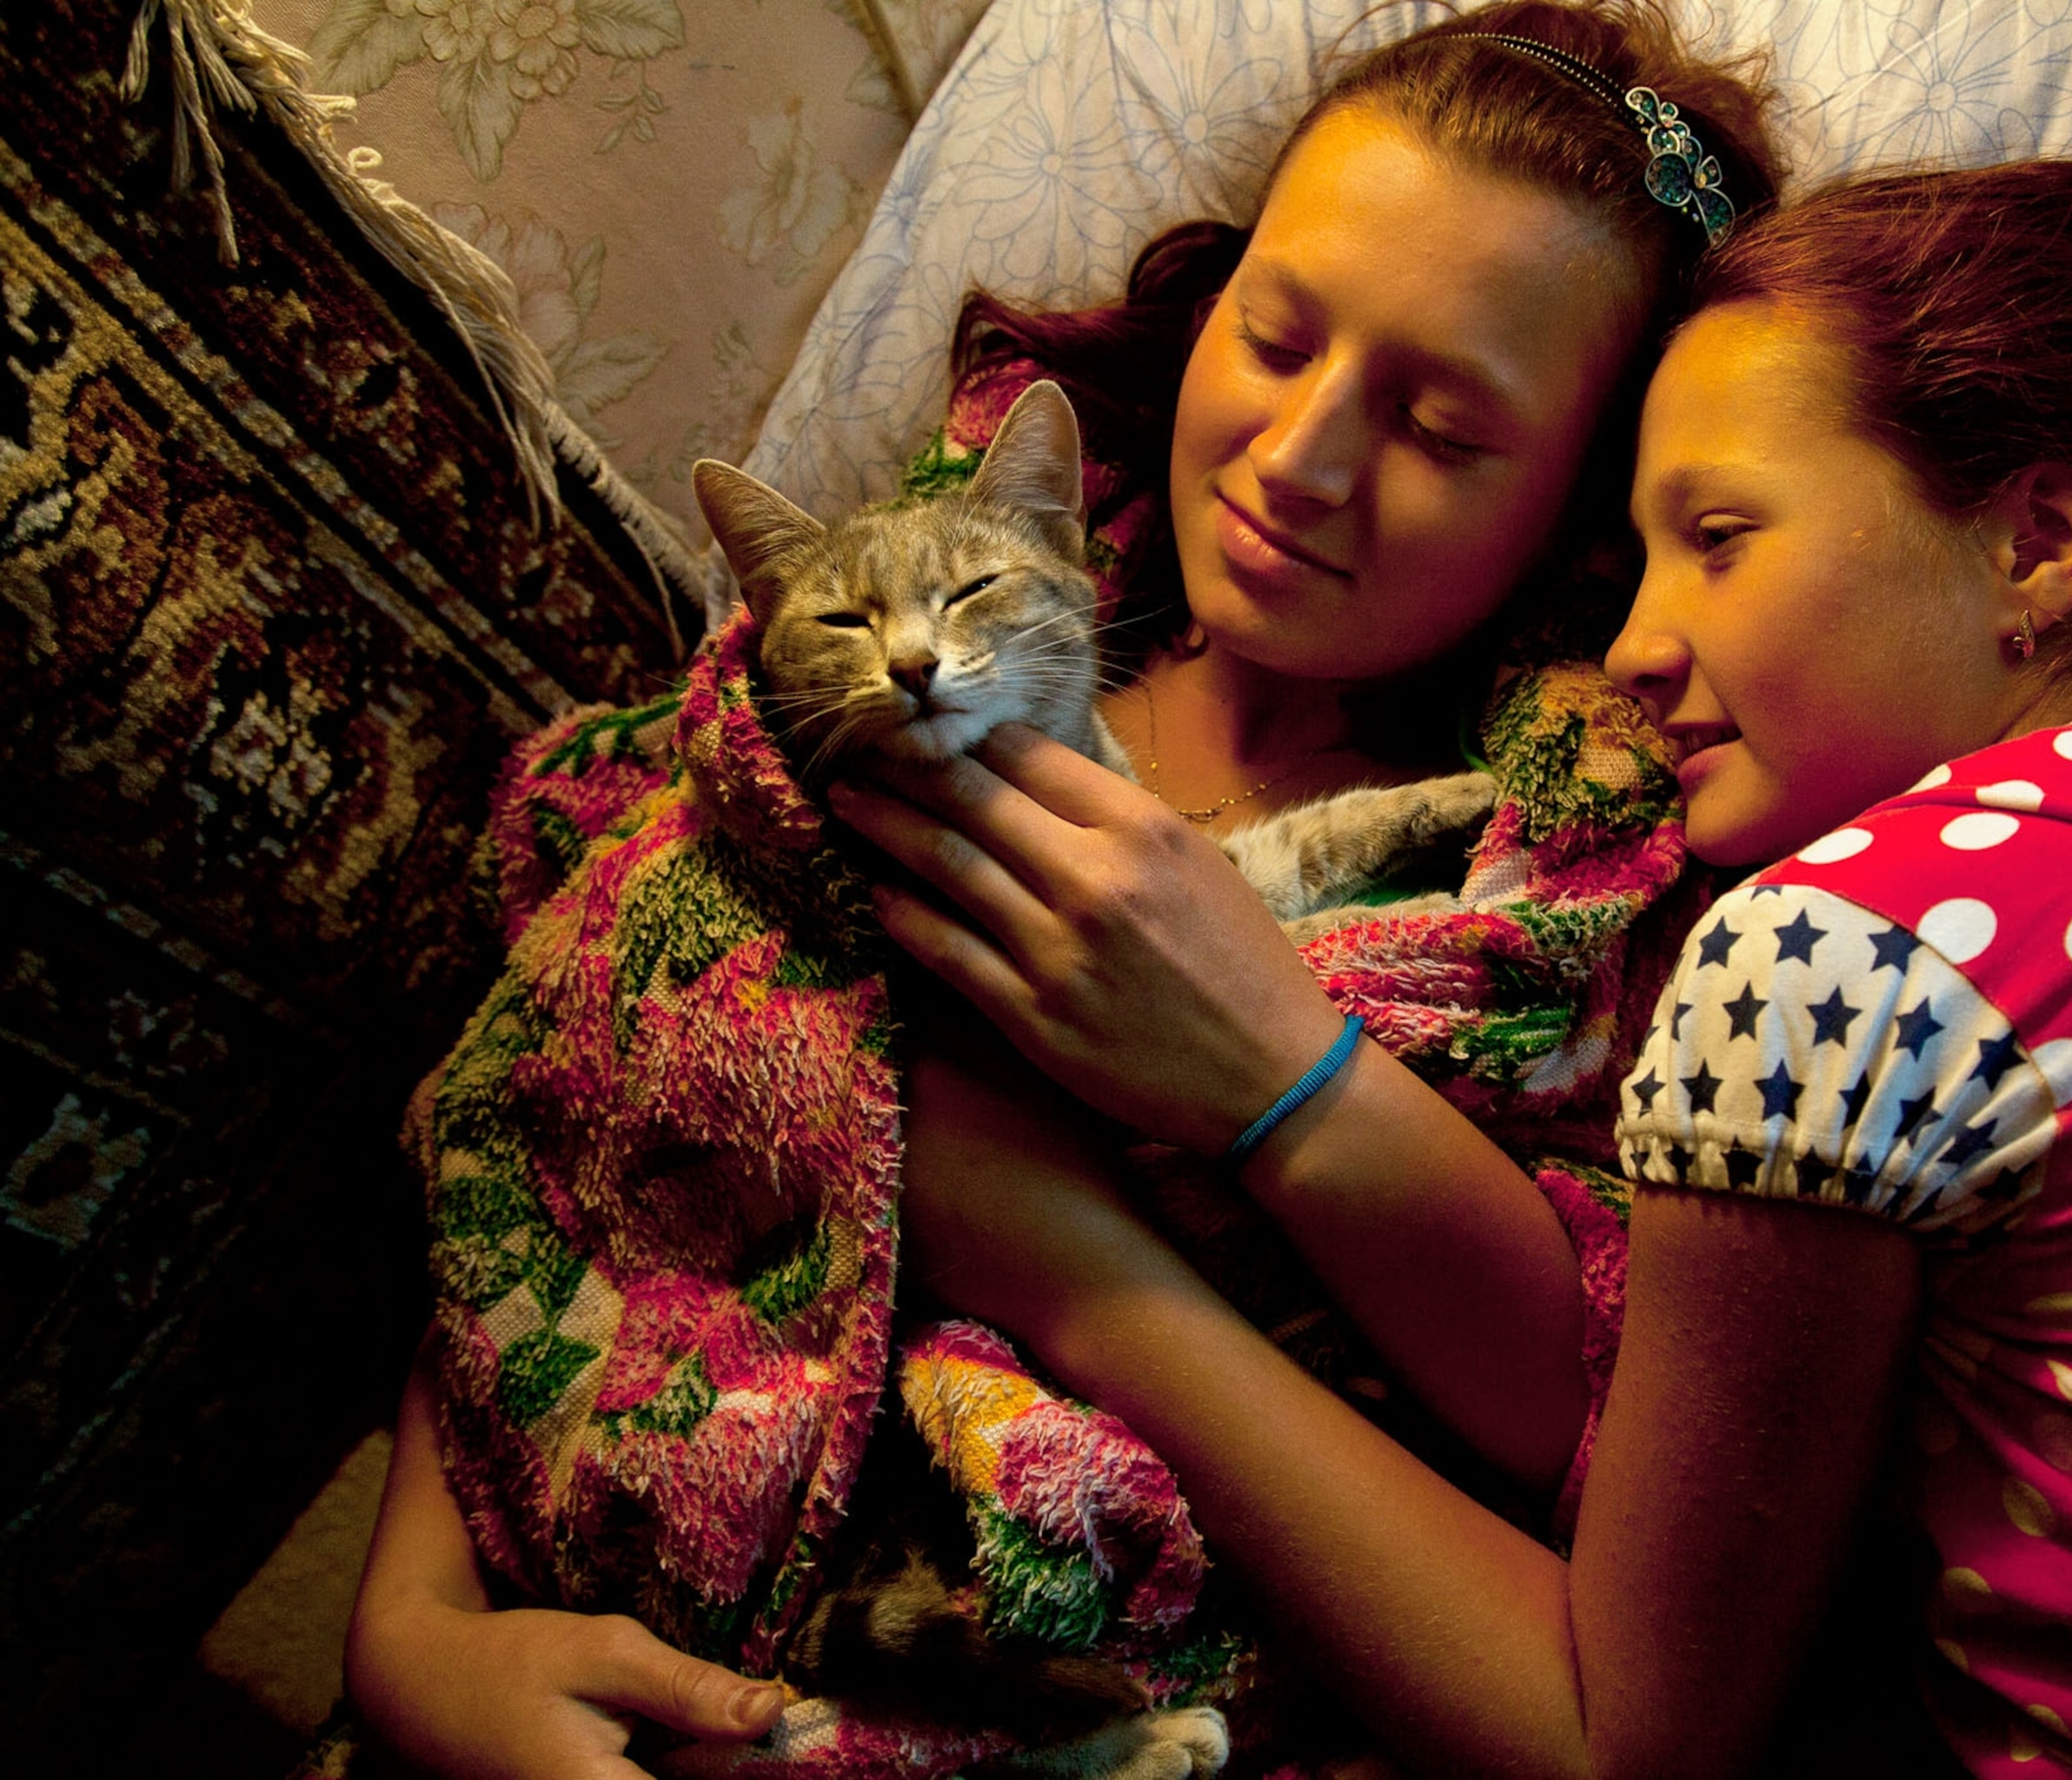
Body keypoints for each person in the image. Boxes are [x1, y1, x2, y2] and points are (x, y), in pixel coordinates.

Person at [847, 161, 2072, 1777]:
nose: (1636, 649)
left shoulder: (1841, 952)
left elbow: (1614, 1728)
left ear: (2037, 541)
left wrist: (1083, 1277)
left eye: (1717, 540)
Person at [341, 5, 1782, 1777]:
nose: (1298, 461)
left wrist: (1242, 1114)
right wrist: (414, 1632)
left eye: (1443, 424)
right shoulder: (904, 630)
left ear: (1585, 502)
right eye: (1276, 332)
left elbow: (1612, 1491)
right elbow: (580, 1109)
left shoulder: (1586, 886)